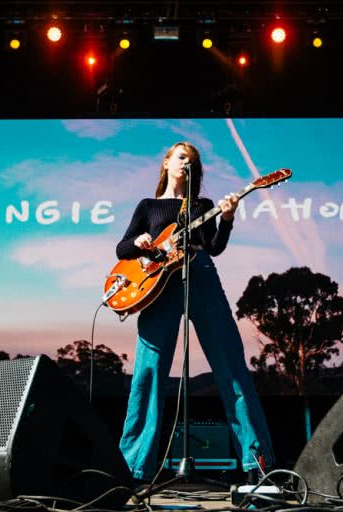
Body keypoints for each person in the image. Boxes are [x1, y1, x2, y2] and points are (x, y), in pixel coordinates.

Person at [116, 142, 275, 484]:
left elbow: (214, 247)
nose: (187, 161)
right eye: (181, 156)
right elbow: (122, 247)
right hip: (157, 284)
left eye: (193, 159)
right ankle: (133, 470)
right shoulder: (149, 206)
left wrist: (228, 219)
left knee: (231, 365)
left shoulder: (202, 205)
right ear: (167, 162)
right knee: (149, 372)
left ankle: (257, 467)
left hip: (200, 274)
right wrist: (142, 242)